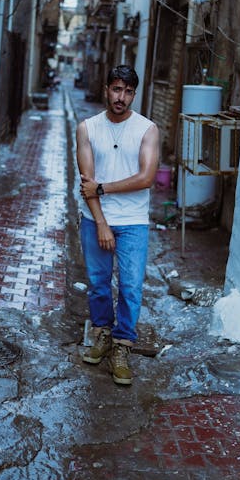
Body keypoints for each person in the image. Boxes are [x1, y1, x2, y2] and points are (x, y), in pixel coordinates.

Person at [76, 65, 159, 385]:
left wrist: (104, 188)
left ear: (134, 94)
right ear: (106, 89)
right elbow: (87, 184)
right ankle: (102, 335)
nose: (120, 97)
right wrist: (101, 223)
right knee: (98, 284)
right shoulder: (87, 128)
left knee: (129, 286)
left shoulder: (147, 129)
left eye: (127, 91)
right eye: (115, 89)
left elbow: (147, 178)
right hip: (94, 219)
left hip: (134, 222)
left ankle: (123, 345)